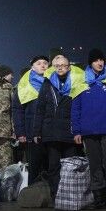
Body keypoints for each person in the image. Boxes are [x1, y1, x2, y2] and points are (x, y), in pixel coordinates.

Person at [71, 49, 106, 209]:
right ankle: (99, 198)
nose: (100, 63)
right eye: (96, 60)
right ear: (90, 63)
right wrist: (77, 130)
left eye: (102, 60)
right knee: (94, 164)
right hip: (88, 131)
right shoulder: (81, 80)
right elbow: (76, 108)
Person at [35, 55, 85, 197]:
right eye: (57, 66)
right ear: (53, 68)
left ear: (69, 67)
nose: (60, 68)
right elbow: (40, 108)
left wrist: (79, 130)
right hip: (51, 132)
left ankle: (70, 194)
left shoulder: (76, 81)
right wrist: (36, 131)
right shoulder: (47, 83)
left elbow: (80, 109)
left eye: (63, 65)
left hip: (70, 131)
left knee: (71, 166)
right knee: (53, 166)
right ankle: (55, 194)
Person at [13, 55, 50, 181]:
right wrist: (20, 132)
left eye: (45, 63)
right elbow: (18, 110)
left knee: (50, 165)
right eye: (39, 63)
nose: (43, 65)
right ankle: (33, 192)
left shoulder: (53, 82)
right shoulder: (24, 85)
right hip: (31, 130)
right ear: (32, 67)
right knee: (34, 165)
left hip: (50, 130)